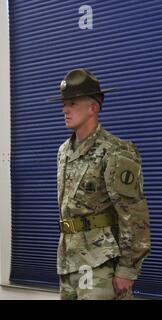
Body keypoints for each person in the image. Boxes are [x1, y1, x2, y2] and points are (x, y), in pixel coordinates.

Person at [49, 68, 151, 299]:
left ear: (93, 108)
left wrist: (128, 268)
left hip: (102, 261)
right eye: (64, 103)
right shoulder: (64, 151)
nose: (65, 109)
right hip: (69, 260)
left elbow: (134, 213)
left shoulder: (115, 151)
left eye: (73, 103)